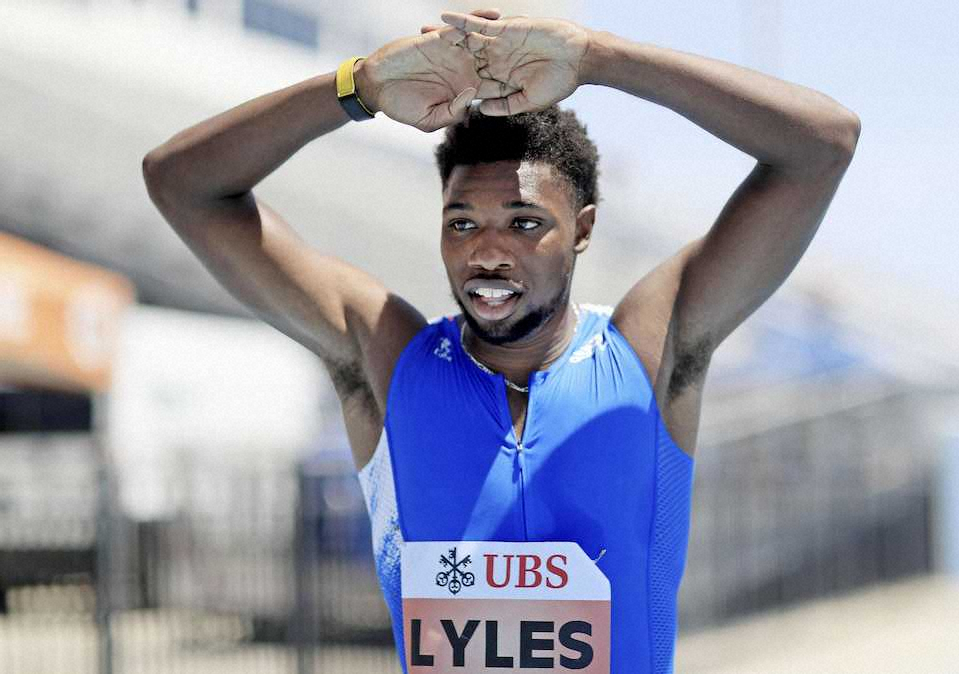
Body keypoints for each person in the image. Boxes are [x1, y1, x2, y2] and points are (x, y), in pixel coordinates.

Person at [142, 8, 859, 673]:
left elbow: (823, 144)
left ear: (581, 229)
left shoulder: (648, 352)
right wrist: (359, 87)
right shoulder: (388, 360)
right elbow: (180, 182)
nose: (487, 253)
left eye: (524, 223)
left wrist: (601, 58)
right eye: (462, 223)